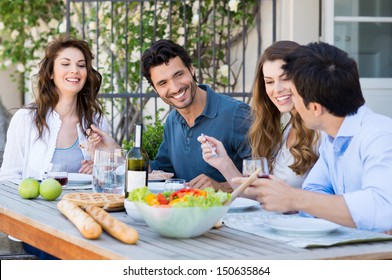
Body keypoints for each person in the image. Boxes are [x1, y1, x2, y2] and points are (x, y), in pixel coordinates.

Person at [233, 42, 392, 232]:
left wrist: (294, 198)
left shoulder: (378, 135)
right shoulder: (332, 141)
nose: (295, 109)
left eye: (296, 97)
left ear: (315, 108)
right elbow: (314, 190)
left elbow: (383, 209)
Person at [89, 39, 252, 191]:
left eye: (178, 75)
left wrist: (222, 187)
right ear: (155, 90)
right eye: (163, 83)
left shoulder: (237, 114)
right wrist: (116, 152)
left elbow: (263, 176)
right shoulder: (172, 121)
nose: (174, 88)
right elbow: (160, 171)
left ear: (191, 69)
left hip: (233, 219)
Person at [199, 41, 320, 192]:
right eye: (269, 82)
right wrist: (223, 163)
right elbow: (260, 195)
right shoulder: (289, 129)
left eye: (285, 78)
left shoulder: (321, 131)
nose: (277, 89)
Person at [0, 36, 108, 181]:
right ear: (50, 73)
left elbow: (109, 179)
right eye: (65, 64)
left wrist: (98, 168)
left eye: (81, 65)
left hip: (84, 203)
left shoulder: (97, 121)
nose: (75, 70)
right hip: (34, 204)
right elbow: (8, 178)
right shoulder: (25, 119)